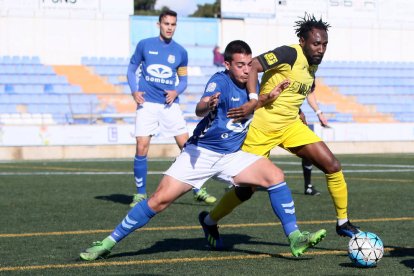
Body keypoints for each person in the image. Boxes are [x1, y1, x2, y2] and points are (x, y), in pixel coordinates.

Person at [79, 40, 326, 261]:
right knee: (158, 201)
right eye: (240, 65)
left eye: (249, 65)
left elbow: (252, 105)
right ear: (228, 64)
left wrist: (268, 97)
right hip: (200, 154)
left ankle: (294, 236)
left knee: (275, 177)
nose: (246, 70)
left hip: (231, 155)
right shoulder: (219, 80)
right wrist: (208, 104)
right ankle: (109, 242)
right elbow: (199, 108)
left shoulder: (252, 83)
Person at [199, 14, 360, 249]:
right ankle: (209, 220)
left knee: (332, 165)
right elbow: (253, 64)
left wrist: (299, 110)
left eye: (325, 44)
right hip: (260, 128)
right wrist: (254, 99)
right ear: (302, 40)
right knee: (245, 191)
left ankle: (343, 222)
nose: (321, 48)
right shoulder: (289, 52)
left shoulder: (313, 63)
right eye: (316, 43)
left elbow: (294, 89)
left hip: (290, 126)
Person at [126, 10, 216, 207]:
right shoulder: (144, 45)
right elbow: (131, 69)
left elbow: (183, 80)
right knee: (141, 146)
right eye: (166, 23)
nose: (169, 27)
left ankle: (197, 189)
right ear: (159, 24)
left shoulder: (181, 52)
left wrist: (176, 92)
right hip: (147, 104)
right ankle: (140, 194)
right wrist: (134, 91)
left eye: (173, 24)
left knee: (187, 146)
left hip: (170, 105)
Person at [300, 92, 329, 196]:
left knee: (308, 147)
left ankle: (308, 187)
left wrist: (319, 113)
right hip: (273, 116)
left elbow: (309, 93)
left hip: (293, 117)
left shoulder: (310, 76)